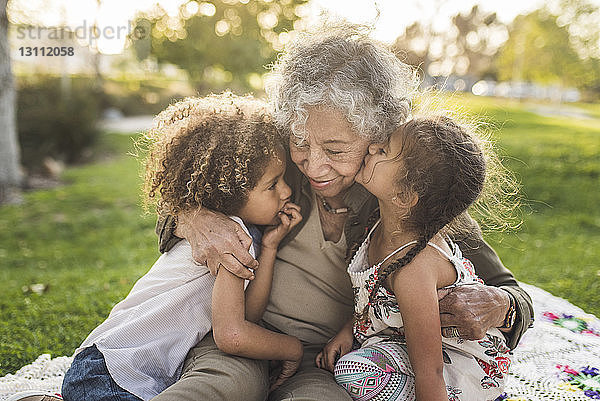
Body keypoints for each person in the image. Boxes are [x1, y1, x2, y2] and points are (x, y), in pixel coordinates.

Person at [152, 23, 534, 401]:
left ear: (379, 136)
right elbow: (191, 186)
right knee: (214, 388)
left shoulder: (413, 199)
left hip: (329, 363)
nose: (313, 167)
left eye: (335, 150)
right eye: (301, 142)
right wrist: (193, 216)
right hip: (249, 340)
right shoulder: (275, 164)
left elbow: (513, 295)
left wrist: (500, 306)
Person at [8, 94, 303, 401]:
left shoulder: (245, 235)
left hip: (116, 366)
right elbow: (232, 335)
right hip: (114, 370)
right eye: (273, 184)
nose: (286, 191)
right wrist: (291, 348)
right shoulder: (230, 236)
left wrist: (268, 250)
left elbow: (246, 317)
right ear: (228, 194)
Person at [320, 116, 512, 400]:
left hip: (458, 371)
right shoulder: (380, 227)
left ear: (404, 196)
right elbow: (374, 300)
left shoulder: (414, 269)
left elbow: (429, 371)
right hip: (409, 345)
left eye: (383, 151)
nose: (372, 147)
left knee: (353, 370)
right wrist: (348, 330)